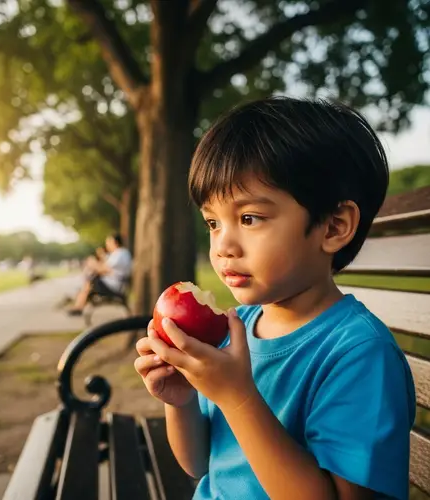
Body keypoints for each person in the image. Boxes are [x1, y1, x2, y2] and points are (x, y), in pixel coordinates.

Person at [134, 98, 416, 500]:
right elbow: (199, 465)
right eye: (213, 222)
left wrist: (238, 397)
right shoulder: (238, 327)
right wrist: (180, 401)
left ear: (334, 227)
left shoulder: (358, 354)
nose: (223, 246)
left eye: (249, 218)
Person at [67, 234, 132, 316]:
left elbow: (104, 269)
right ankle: (79, 306)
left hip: (114, 286)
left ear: (114, 242)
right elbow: (106, 269)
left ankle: (79, 306)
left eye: (108, 242)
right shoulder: (118, 254)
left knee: (90, 280)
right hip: (114, 283)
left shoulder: (120, 253)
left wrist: (93, 264)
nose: (107, 244)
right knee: (90, 279)